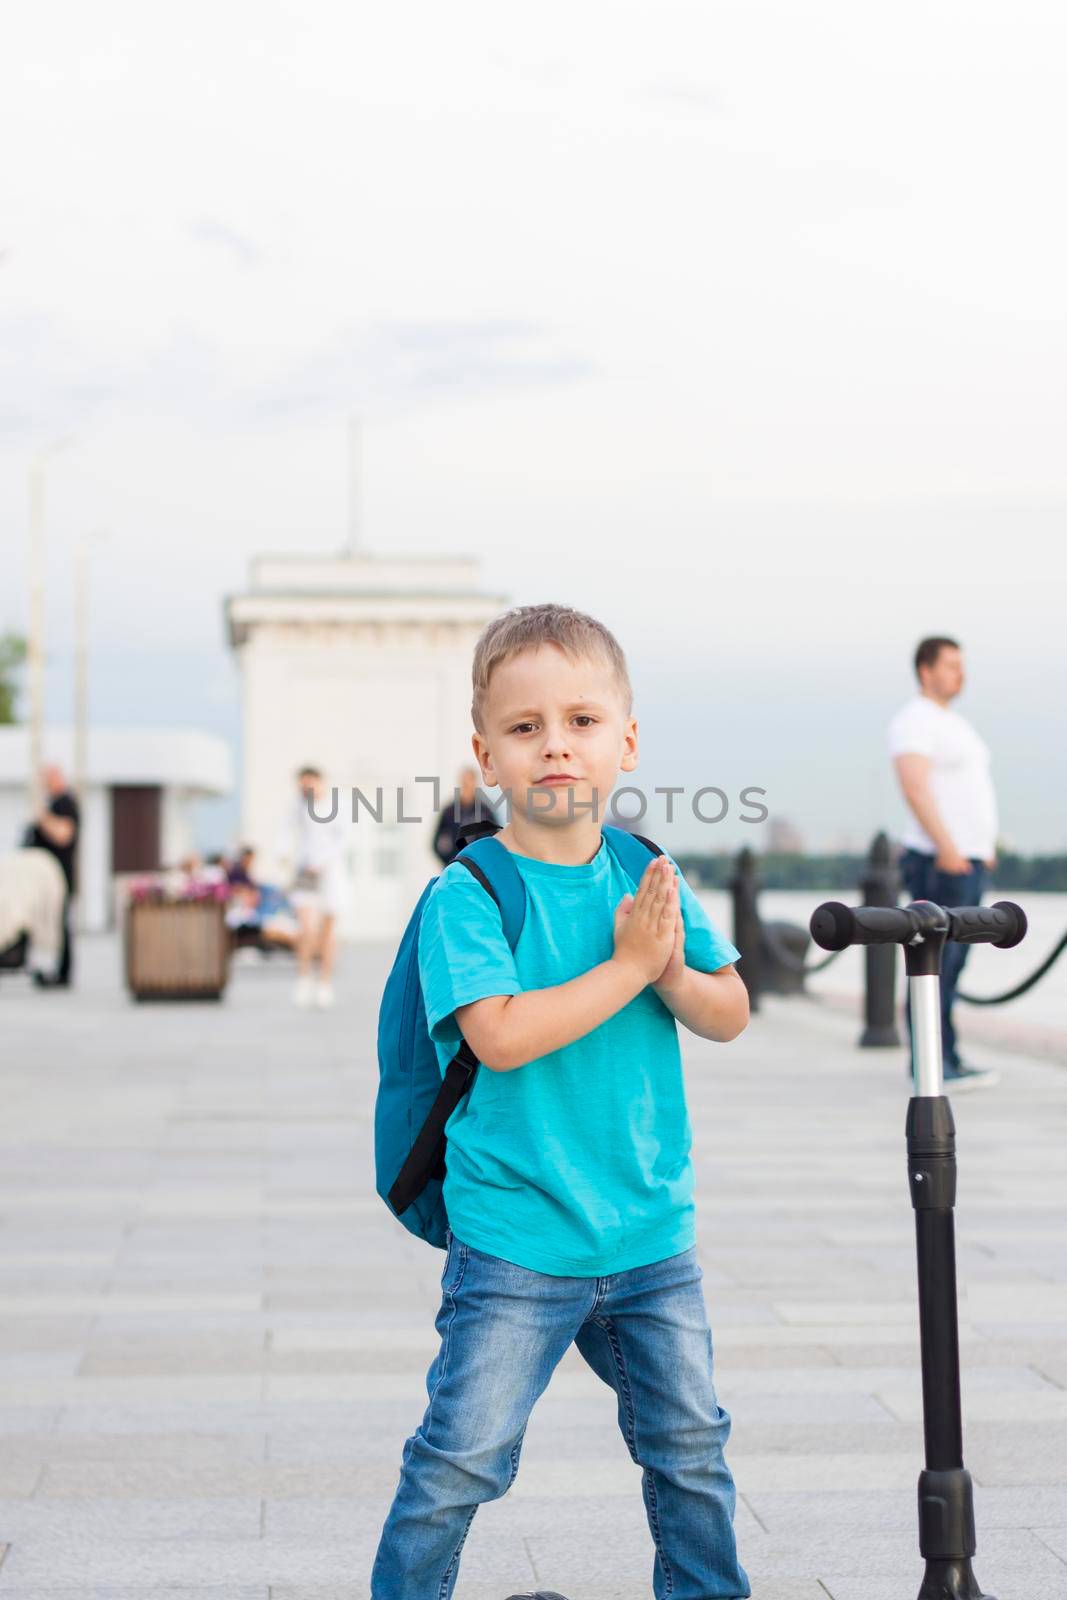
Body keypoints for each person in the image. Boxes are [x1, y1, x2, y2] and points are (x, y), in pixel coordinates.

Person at [371, 604, 752, 1600]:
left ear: (624, 740)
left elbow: (728, 1009)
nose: (555, 746)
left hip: (648, 1233)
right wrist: (631, 965)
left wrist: (665, 970)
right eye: (524, 726)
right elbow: (498, 1033)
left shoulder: (647, 874)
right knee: (459, 1460)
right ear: (483, 754)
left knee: (690, 1455)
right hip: (515, 1238)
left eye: (581, 720)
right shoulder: (472, 892)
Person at [888, 636, 999, 1092]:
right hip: (941, 863)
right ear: (926, 670)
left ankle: (946, 1056)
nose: (961, 673)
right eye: (952, 665)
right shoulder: (914, 721)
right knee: (935, 963)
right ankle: (932, 1064)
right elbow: (914, 787)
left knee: (953, 967)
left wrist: (980, 848)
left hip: (966, 862)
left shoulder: (954, 724)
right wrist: (948, 848)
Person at [276, 766, 347, 1009]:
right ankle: (304, 977)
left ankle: (324, 983)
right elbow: (285, 832)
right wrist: (283, 855)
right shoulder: (297, 807)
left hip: (330, 875)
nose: (306, 789)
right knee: (306, 928)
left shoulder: (337, 805)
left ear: (320, 781)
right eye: (302, 785)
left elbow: (343, 839)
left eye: (310, 784)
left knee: (327, 932)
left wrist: (323, 861)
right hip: (305, 874)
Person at [26, 763, 79, 988]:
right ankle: (52, 969)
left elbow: (64, 834)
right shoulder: (54, 802)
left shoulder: (65, 802)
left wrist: (42, 818)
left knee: (60, 925)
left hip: (59, 875)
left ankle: (62, 973)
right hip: (47, 876)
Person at [431, 764, 497, 865]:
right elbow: (436, 843)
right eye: (465, 784)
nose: (468, 788)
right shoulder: (449, 812)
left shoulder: (485, 812)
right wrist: (449, 862)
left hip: (479, 869)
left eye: (471, 784)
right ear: (460, 784)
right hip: (454, 866)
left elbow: (494, 842)